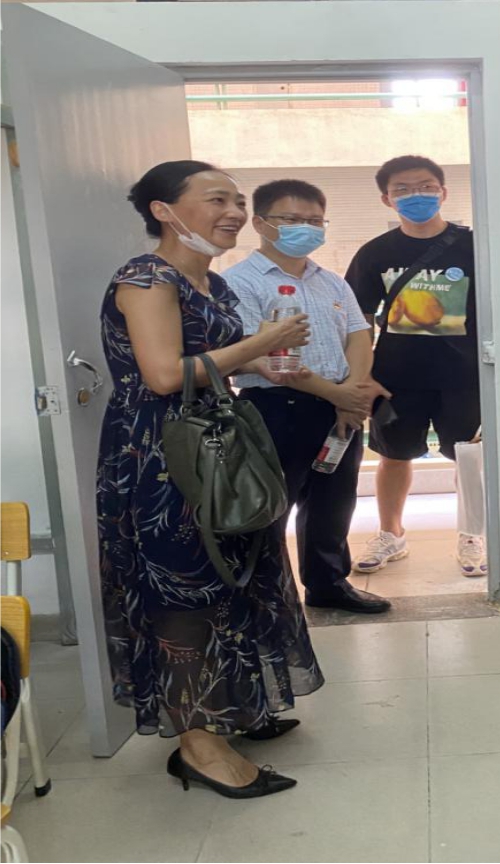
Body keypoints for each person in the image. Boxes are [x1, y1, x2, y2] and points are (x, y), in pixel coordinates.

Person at [97, 160, 323, 798]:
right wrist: (258, 345)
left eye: (238, 200)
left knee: (235, 574)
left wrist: (262, 360)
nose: (234, 212)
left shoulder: (211, 280)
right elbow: (164, 375)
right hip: (163, 457)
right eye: (216, 199)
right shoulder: (146, 278)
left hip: (216, 446)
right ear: (164, 211)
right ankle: (197, 746)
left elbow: (209, 364)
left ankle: (233, 708)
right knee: (184, 588)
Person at [224, 180, 392, 614]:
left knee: (333, 502)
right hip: (276, 408)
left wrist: (351, 393)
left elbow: (358, 336)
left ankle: (328, 584)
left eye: (315, 221)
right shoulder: (238, 282)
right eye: (292, 219)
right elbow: (258, 355)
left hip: (339, 409)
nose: (307, 228)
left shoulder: (331, 281)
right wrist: (342, 396)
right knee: (269, 506)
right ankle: (265, 597)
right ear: (260, 223)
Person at [346, 155, 487, 577]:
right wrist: (363, 375)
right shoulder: (375, 253)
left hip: (464, 376)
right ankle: (391, 534)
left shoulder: (474, 245)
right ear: (387, 200)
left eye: (426, 187)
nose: (416, 196)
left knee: (469, 459)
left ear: (443, 192)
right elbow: (356, 320)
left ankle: (472, 535)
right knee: (393, 456)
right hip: (395, 377)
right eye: (403, 190)